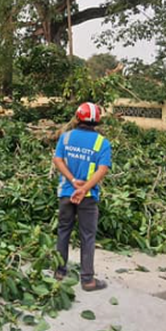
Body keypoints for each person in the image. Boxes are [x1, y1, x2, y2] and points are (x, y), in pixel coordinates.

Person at [53, 102, 112, 291]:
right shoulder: (102, 143)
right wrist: (85, 188)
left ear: (77, 118)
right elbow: (102, 170)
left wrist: (72, 181)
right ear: (97, 121)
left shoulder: (66, 137)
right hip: (87, 197)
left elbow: (57, 160)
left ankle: (59, 272)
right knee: (87, 236)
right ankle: (88, 280)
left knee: (63, 231)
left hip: (66, 193)